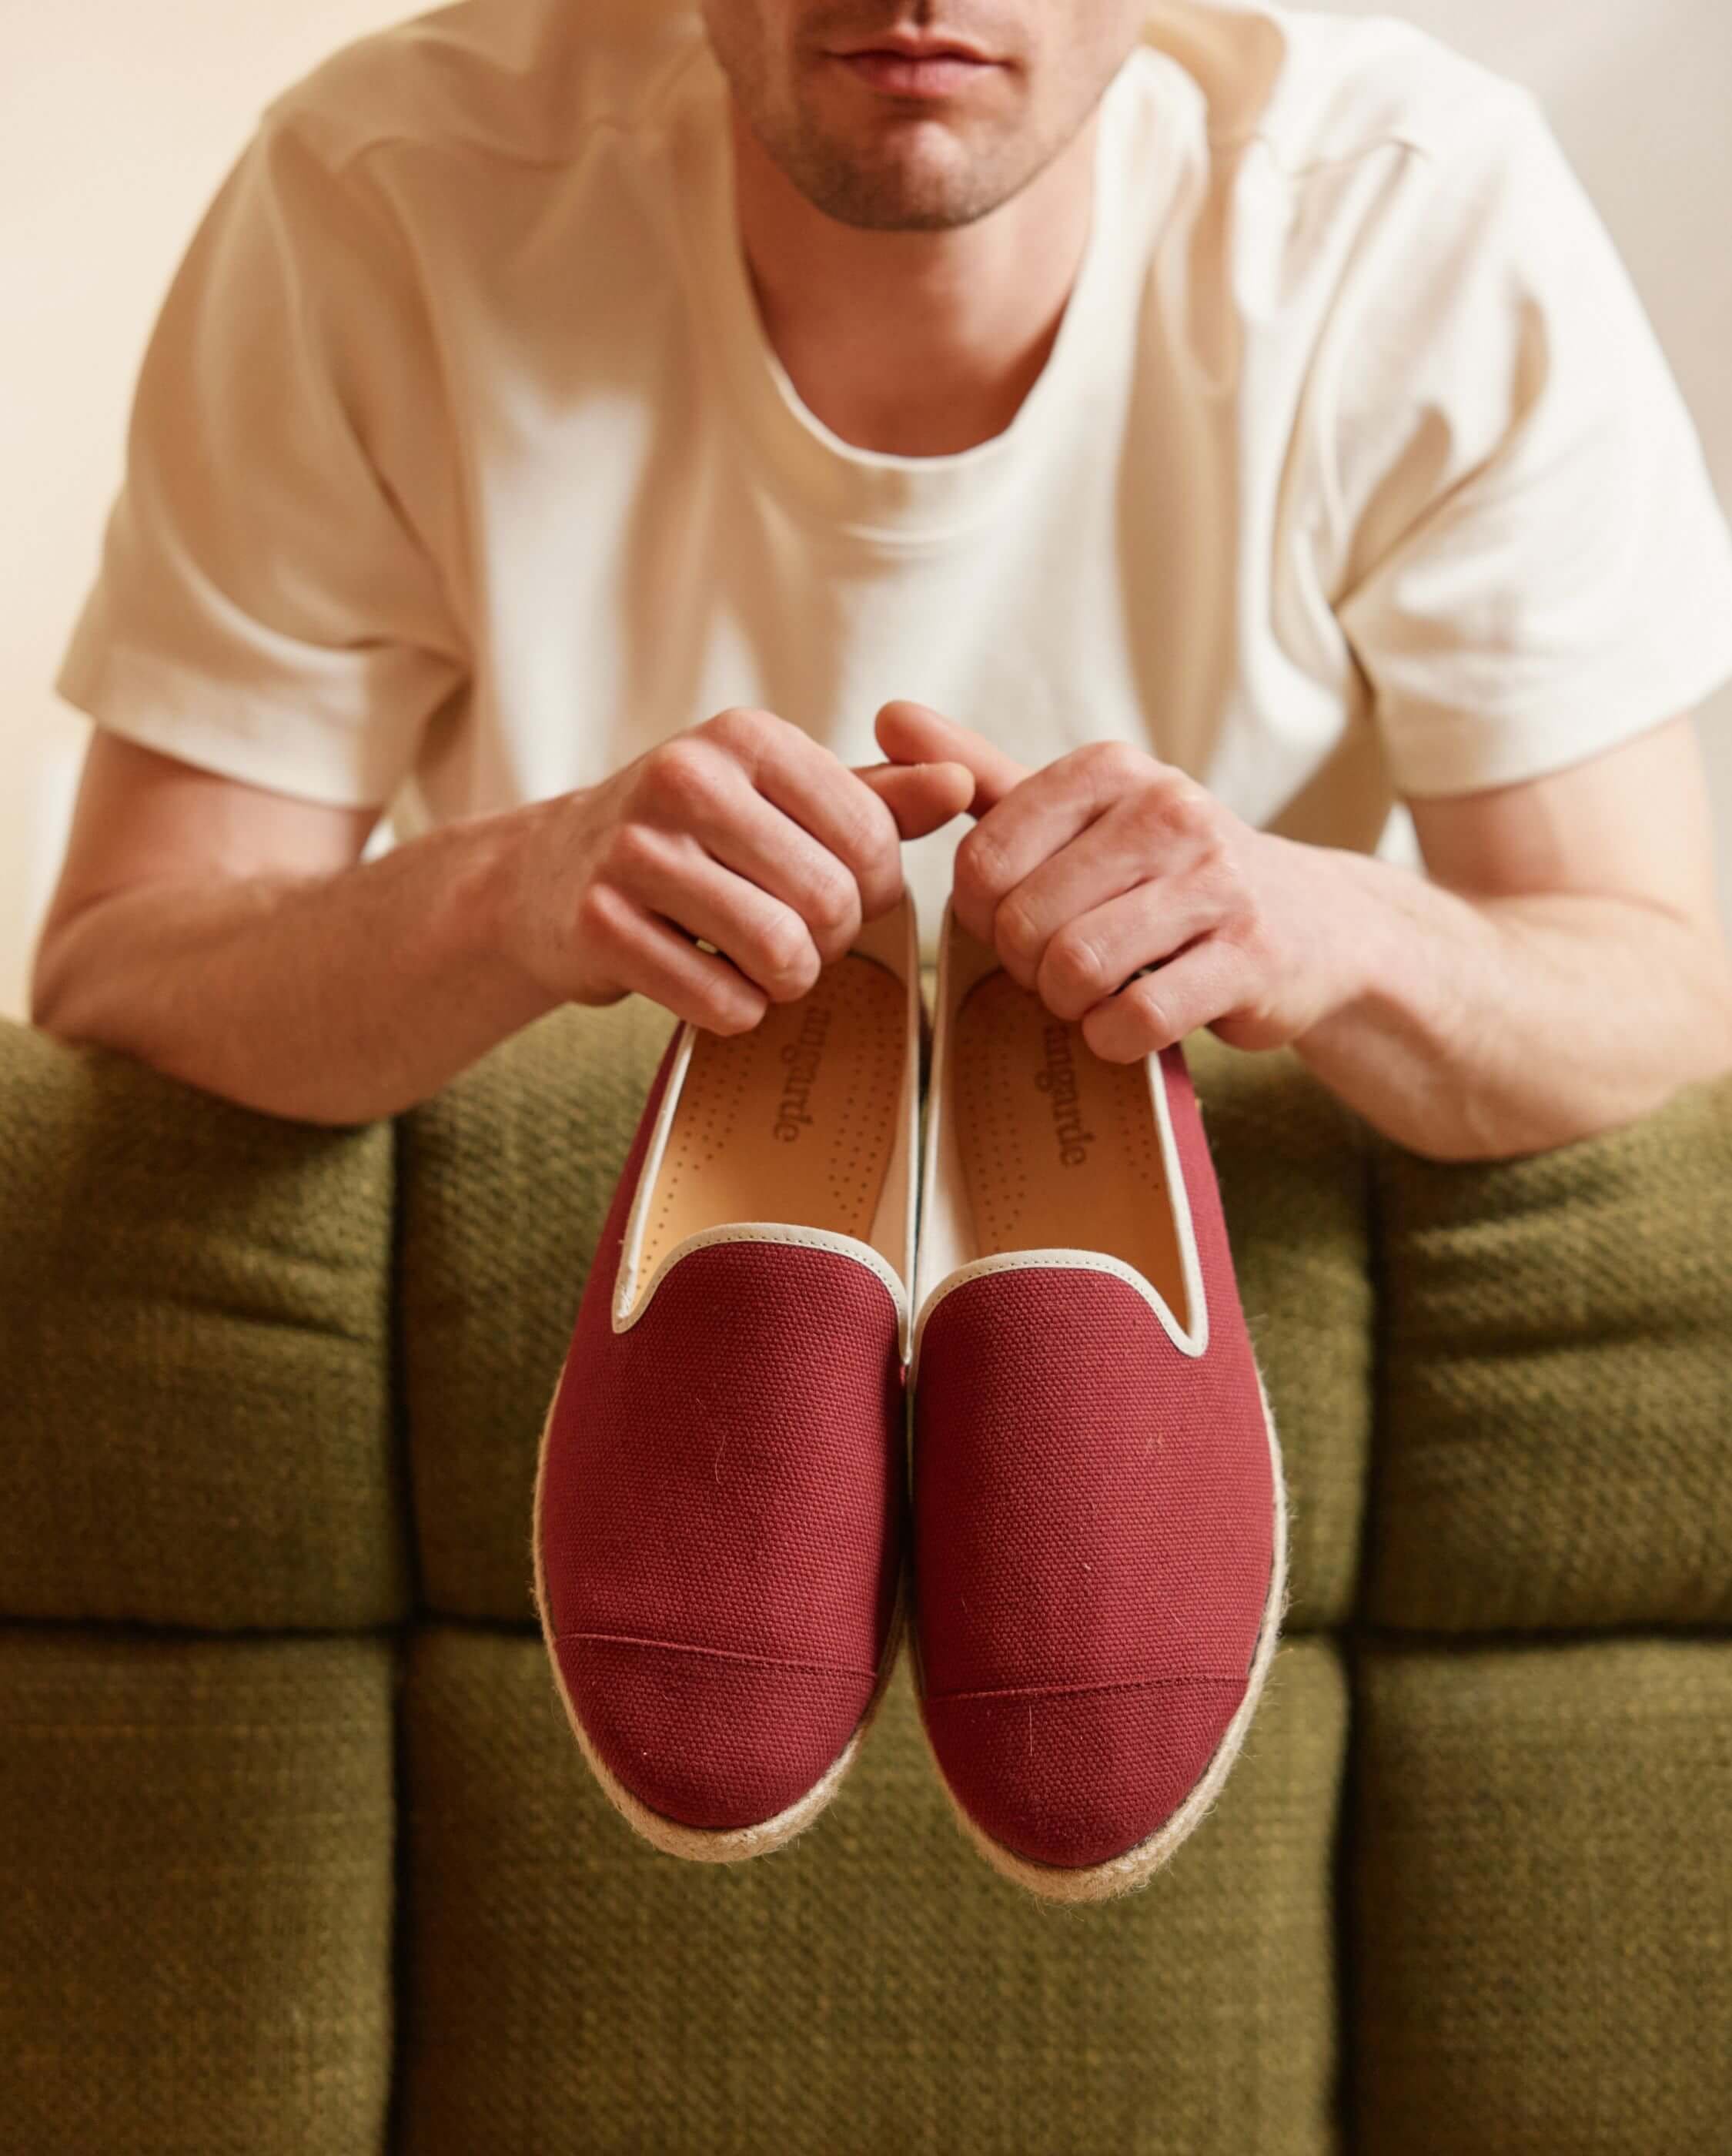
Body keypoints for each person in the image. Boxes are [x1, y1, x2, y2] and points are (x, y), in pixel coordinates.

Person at [32, 0, 1732, 1160]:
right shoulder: (382, 194)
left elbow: (1659, 990)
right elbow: (121, 964)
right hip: (611, 1315)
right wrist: (515, 892)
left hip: (1169, 1344)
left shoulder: (1410, 213)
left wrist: (1326, 921)